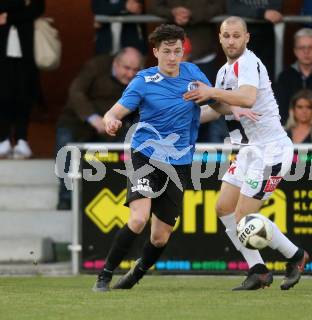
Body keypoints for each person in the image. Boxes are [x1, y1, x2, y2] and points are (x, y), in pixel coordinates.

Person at [92, 24, 255, 292]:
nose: (172, 57)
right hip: (145, 154)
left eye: (177, 51)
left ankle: (135, 275)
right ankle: (104, 276)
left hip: (179, 163)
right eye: (166, 51)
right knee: (138, 219)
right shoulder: (143, 81)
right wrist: (111, 122)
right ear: (155, 52)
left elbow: (214, 104)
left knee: (160, 236)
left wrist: (234, 109)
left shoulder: (193, 74)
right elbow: (114, 113)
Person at [184, 16, 309, 291]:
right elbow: (218, 109)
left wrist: (209, 91)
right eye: (226, 35)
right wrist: (184, 121)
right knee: (223, 208)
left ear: (247, 38)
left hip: (270, 151)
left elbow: (247, 98)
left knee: (244, 218)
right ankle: (259, 270)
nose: (231, 40)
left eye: (236, 35)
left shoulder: (248, 63)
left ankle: (296, 256)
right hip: (247, 152)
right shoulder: (223, 72)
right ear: (219, 37)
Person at [55, 47, 143, 210]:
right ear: (116, 63)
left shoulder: (141, 79)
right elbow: (76, 92)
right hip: (78, 121)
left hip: (114, 128)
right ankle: (66, 200)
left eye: (135, 69)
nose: (131, 74)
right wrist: (93, 118)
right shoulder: (96, 66)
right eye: (126, 68)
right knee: (66, 150)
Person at [149, 0, 228, 142]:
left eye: (181, 55)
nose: (175, 60)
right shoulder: (150, 81)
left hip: (204, 49)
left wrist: (233, 107)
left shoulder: (200, 78)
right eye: (169, 53)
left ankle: (213, 154)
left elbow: (215, 110)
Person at [0, 0, 45, 159]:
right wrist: (21, 6)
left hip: (26, 50)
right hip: (2, 49)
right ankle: (3, 138)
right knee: (3, 94)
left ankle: (21, 139)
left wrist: (9, 16)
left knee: (24, 94)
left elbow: (37, 8)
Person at [226, 0, 284, 81]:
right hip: (241, 38)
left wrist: (259, 13)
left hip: (267, 37)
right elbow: (233, 8)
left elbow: (275, 9)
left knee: (266, 80)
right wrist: (262, 13)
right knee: (241, 80)